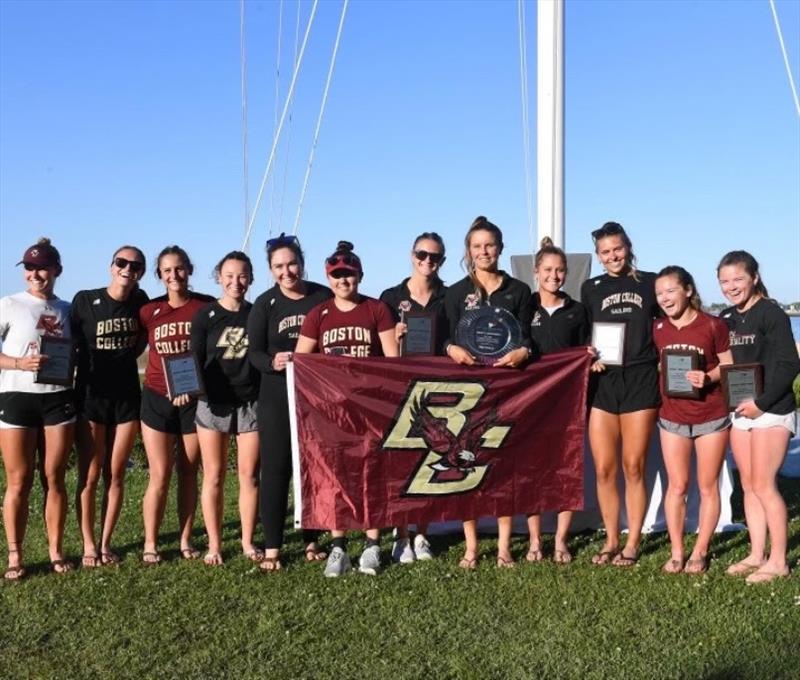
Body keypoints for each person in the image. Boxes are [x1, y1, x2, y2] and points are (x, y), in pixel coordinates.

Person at [295, 240, 399, 576]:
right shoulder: (318, 314)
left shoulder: (376, 309)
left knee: (371, 473)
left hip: (368, 407)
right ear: (328, 278)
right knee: (335, 473)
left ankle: (372, 545)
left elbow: (392, 360)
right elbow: (303, 358)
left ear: (360, 275)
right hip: (331, 409)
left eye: (349, 275)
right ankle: (338, 546)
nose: (344, 281)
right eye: (337, 275)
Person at [443, 216, 533, 569]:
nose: (484, 251)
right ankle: (470, 546)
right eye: (477, 245)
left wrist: (524, 352)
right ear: (469, 250)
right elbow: (444, 339)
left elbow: (528, 338)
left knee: (503, 465)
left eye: (490, 245)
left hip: (508, 389)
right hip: (468, 390)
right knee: (468, 463)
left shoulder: (519, 291)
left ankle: (504, 547)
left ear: (500, 247)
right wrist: (452, 350)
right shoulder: (454, 292)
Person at [248, 233, 332, 572]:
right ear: (270, 270)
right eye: (279, 266)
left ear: (302, 263)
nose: (287, 271)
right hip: (276, 394)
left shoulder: (321, 296)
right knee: (276, 468)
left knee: (313, 466)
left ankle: (311, 537)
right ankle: (272, 546)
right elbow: (252, 353)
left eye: (292, 263)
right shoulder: (264, 303)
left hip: (315, 395)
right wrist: (272, 362)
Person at [717, 251, 800, 583]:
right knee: (749, 486)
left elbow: (790, 364)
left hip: (772, 410)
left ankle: (779, 561)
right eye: (724, 281)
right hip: (741, 412)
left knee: (765, 486)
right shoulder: (726, 317)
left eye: (738, 279)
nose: (731, 287)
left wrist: (762, 403)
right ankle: (756, 553)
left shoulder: (772, 313)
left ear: (753, 277)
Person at [580, 222, 659, 567]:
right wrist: (588, 356)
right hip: (604, 383)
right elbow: (583, 335)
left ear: (628, 246)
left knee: (634, 467)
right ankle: (611, 539)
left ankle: (633, 541)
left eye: (617, 248)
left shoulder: (651, 283)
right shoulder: (590, 288)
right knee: (604, 470)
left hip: (641, 379)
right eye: (605, 251)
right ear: (598, 256)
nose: (613, 256)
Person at [0, 238, 76, 579]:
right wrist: (18, 362)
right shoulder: (9, 304)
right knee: (18, 480)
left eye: (42, 267)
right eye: (29, 268)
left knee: (55, 478)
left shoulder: (68, 309)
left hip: (58, 397)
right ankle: (16, 555)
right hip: (16, 397)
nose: (35, 274)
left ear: (57, 270)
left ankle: (55, 550)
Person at [71, 245, 149, 568]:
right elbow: (69, 345)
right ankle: (88, 544)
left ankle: (105, 543)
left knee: (116, 474)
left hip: (127, 397)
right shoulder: (85, 301)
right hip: (91, 396)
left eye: (135, 265)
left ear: (141, 272)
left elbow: (145, 338)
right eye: (122, 262)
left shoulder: (140, 302)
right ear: (111, 265)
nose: (127, 268)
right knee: (89, 475)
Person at [652, 266, 732, 574]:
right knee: (677, 486)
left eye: (670, 291)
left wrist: (708, 377)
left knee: (708, 486)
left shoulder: (713, 325)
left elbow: (728, 366)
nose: (665, 298)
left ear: (687, 290)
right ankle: (676, 552)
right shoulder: (657, 328)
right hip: (672, 417)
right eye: (659, 293)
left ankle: (700, 551)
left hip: (711, 415)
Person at [138, 245, 214, 564]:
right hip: (157, 397)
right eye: (167, 270)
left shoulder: (206, 306)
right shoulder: (148, 311)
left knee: (188, 471)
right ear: (159, 275)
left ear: (190, 270)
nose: (174, 275)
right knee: (159, 474)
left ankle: (185, 539)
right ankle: (151, 543)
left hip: (193, 400)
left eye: (180, 268)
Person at [379, 231, 448, 564]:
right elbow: (378, 349)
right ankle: (400, 534)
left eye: (435, 257)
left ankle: (422, 533)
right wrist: (392, 337)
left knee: (428, 460)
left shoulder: (448, 297)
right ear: (411, 255)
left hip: (435, 387)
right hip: (400, 388)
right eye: (422, 254)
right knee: (400, 461)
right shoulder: (390, 297)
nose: (427, 262)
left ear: (442, 261)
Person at [191, 251, 261, 566]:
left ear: (251, 277)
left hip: (250, 401)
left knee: (249, 476)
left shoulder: (258, 313)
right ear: (219, 277)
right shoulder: (205, 316)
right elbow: (191, 360)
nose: (236, 282)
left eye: (242, 275)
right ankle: (215, 545)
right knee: (214, 476)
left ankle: (247, 542)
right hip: (212, 404)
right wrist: (187, 389)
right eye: (229, 275)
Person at [526, 236, 590, 564]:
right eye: (548, 269)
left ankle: (561, 540)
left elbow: (585, 351)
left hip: (567, 405)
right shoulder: (524, 308)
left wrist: (591, 357)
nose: (554, 275)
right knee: (531, 472)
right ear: (536, 272)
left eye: (560, 270)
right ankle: (536, 541)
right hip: (530, 405)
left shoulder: (577, 310)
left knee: (567, 471)